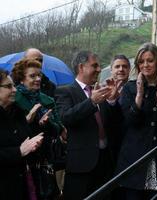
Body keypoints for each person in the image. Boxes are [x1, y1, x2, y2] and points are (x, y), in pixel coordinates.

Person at [116, 43, 157, 200]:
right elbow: (128, 122)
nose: (145, 65)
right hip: (134, 158)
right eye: (141, 61)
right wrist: (138, 98)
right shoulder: (129, 88)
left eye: (150, 60)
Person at [55, 50, 117, 200]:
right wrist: (91, 102)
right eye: (94, 65)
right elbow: (66, 117)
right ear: (81, 67)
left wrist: (112, 101)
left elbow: (111, 123)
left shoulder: (101, 90)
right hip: (81, 167)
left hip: (105, 162)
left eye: (99, 65)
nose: (99, 69)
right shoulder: (65, 91)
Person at [11, 58, 65, 200]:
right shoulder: (12, 99)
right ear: (21, 79)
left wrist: (47, 124)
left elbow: (59, 128)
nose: (38, 79)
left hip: (45, 160)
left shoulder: (47, 100)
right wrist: (29, 119)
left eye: (39, 75)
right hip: (22, 162)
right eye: (32, 76)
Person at [0, 69, 43, 200]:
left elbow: (26, 139)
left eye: (13, 85)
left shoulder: (17, 111)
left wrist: (34, 143)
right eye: (8, 86)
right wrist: (19, 151)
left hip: (25, 183)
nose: (14, 90)